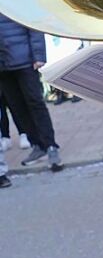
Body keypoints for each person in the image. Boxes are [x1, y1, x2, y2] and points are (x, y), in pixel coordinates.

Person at [0, 13, 63, 171]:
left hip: (25, 61)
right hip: (3, 66)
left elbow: (33, 24)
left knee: (35, 104)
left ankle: (50, 146)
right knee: (17, 109)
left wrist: (39, 56)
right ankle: (37, 144)